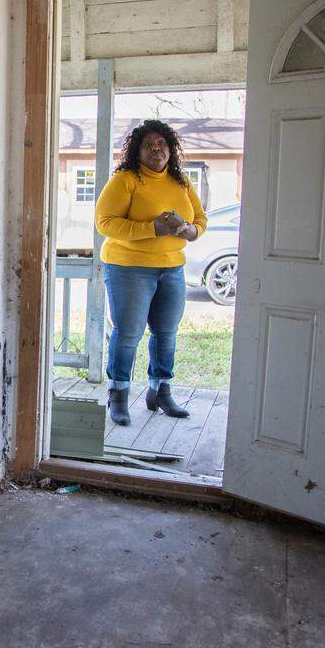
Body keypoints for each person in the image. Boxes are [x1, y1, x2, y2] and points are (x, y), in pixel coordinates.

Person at [94, 119, 207, 426]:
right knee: (128, 333)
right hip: (128, 266)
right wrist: (152, 228)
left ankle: (159, 392)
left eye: (162, 145)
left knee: (166, 333)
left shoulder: (180, 180)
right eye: (149, 145)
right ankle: (117, 396)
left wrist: (188, 230)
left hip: (171, 267)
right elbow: (105, 222)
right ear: (137, 150)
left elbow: (200, 220)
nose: (156, 150)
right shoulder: (126, 180)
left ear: (170, 149)